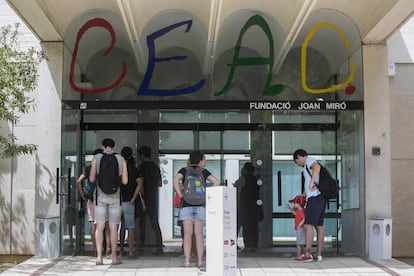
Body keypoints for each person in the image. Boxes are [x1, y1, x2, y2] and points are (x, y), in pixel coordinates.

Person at [173, 151, 220, 268]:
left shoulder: (184, 170)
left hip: (186, 205)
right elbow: (216, 182)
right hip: (200, 205)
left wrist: (181, 194)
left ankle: (187, 261)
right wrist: (207, 194)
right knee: (199, 234)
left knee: (187, 234)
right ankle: (200, 261)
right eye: (205, 159)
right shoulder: (204, 172)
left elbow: (175, 181)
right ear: (200, 160)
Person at [89, 138, 128, 265]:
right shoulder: (121, 159)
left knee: (99, 227)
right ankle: (114, 258)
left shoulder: (96, 158)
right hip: (115, 197)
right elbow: (125, 181)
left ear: (103, 146)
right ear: (114, 146)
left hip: (100, 197)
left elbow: (91, 178)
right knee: (113, 227)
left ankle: (99, 257)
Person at [293, 149, 326, 262]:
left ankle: (307, 253)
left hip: (314, 198)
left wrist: (312, 182)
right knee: (319, 226)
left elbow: (317, 167)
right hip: (320, 198)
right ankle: (319, 254)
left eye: (297, 162)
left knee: (308, 225)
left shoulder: (309, 160)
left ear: (299, 157)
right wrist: (305, 193)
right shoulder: (308, 164)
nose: (298, 164)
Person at [76, 148, 112, 253]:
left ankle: (96, 249)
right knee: (106, 226)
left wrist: (83, 195)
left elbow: (78, 181)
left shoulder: (88, 169)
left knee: (94, 226)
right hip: (104, 199)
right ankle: (108, 249)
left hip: (91, 200)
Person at [137, 145, 164, 255]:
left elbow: (140, 183)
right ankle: (159, 247)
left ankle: (140, 247)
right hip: (153, 198)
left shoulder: (141, 168)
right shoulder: (155, 167)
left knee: (141, 223)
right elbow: (160, 183)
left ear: (142, 155)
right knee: (154, 223)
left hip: (143, 198)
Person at [119, 146, 142, 259]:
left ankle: (120, 250)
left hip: (118, 201)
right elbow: (140, 183)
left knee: (121, 226)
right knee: (131, 227)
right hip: (130, 201)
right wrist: (134, 197)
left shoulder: (118, 168)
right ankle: (131, 252)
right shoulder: (133, 169)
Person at [234, 162, 260, 252]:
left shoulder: (243, 179)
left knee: (243, 225)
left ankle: (246, 245)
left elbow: (237, 191)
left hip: (243, 206)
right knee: (252, 226)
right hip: (253, 206)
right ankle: (253, 245)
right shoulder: (256, 180)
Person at [287, 194, 307, 261]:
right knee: (302, 243)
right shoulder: (300, 211)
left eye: (295, 203)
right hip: (300, 228)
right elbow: (296, 215)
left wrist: (299, 225)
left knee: (299, 243)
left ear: (299, 203)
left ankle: (299, 256)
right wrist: (290, 209)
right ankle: (304, 255)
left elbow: (304, 219)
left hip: (300, 228)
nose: (294, 204)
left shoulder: (301, 211)